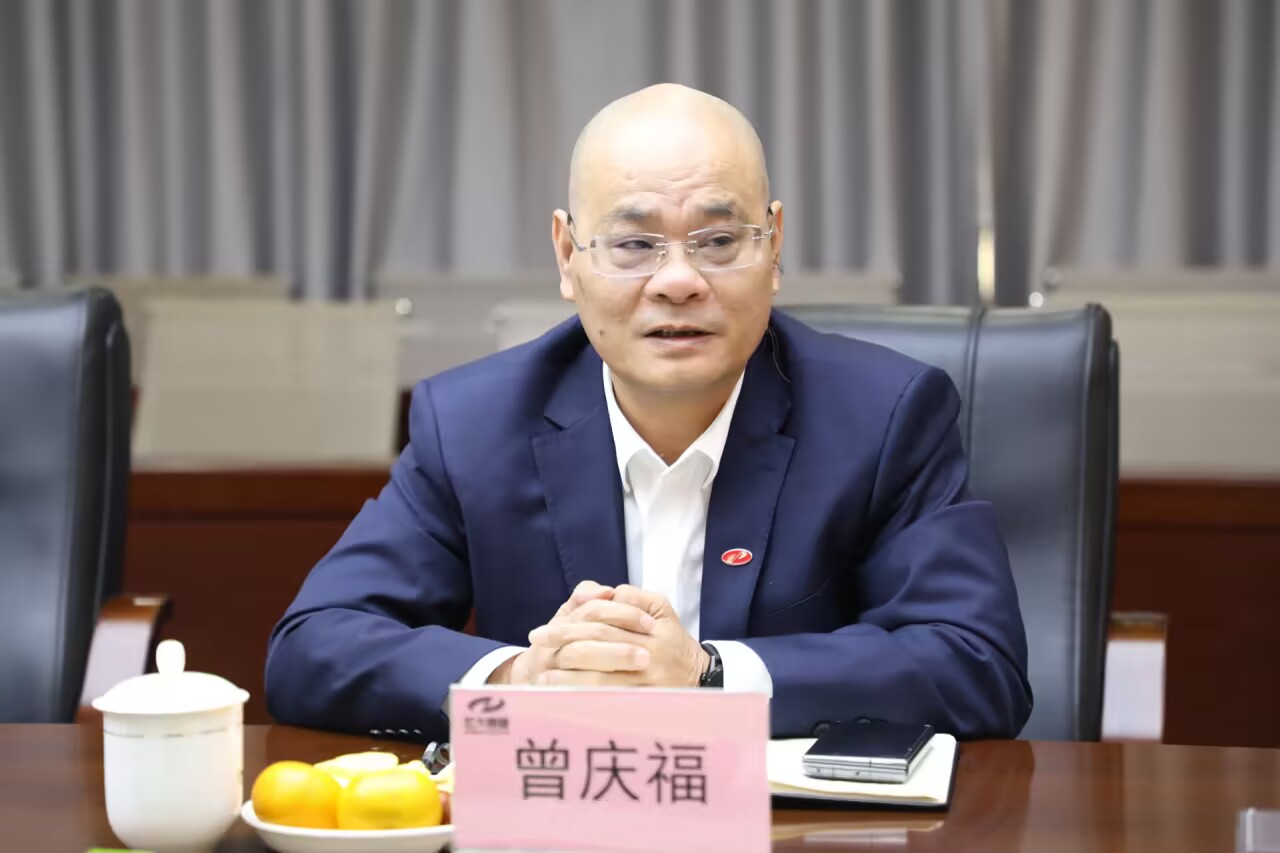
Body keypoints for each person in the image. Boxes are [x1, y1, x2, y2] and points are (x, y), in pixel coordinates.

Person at [265, 84, 1032, 742]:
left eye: (719, 240)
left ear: (775, 246)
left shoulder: (884, 415)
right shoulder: (473, 423)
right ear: (568, 256)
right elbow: (313, 645)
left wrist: (709, 675)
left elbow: (976, 662)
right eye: (633, 244)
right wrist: (519, 677)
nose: (678, 281)